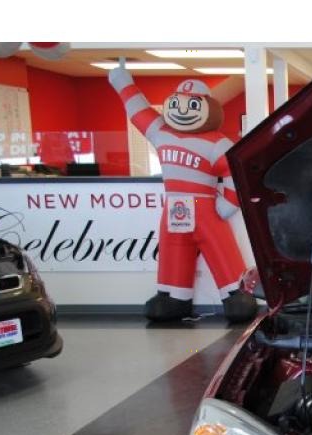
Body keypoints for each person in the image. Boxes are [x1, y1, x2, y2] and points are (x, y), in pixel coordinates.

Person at [108, 62, 257, 322]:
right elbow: (138, 111)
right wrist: (122, 81)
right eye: (178, 104)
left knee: (221, 249)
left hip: (206, 210)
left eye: (193, 105)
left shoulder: (218, 143)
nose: (184, 111)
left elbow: (239, 171)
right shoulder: (160, 132)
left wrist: (227, 203)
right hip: (174, 207)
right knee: (173, 249)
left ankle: (236, 294)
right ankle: (173, 297)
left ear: (208, 108)